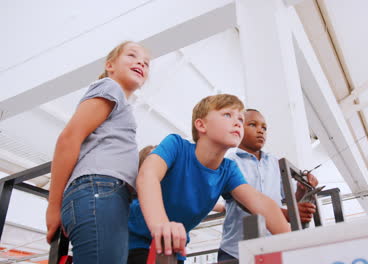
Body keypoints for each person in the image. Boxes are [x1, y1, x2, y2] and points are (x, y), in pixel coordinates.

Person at [128, 94, 291, 263]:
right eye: (227, 115)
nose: (237, 123)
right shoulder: (176, 145)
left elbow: (261, 203)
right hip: (133, 241)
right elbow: (148, 175)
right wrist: (161, 225)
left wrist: (296, 244)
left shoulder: (228, 169)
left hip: (174, 247)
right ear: (201, 125)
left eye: (241, 119)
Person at [45, 41, 150, 264]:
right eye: (131, 55)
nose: (141, 62)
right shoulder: (110, 87)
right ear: (110, 65)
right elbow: (69, 138)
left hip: (107, 194)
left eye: (146, 63)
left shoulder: (120, 103)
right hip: (99, 189)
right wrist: (53, 206)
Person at [218, 109, 319, 261]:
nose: (261, 131)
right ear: (238, 128)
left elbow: (289, 198)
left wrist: (300, 190)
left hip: (273, 247)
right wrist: (289, 214)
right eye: (253, 125)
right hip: (236, 250)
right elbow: (245, 202)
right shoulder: (230, 162)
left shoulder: (274, 162)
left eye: (264, 128)